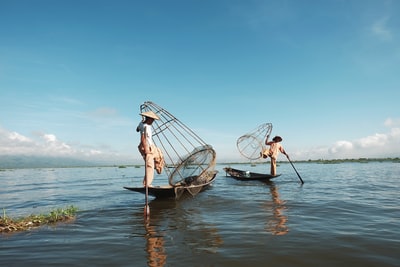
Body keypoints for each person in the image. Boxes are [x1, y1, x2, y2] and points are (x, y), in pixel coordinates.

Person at [137, 110, 160, 187]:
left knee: (159, 155)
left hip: (151, 146)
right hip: (146, 146)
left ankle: (158, 168)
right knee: (150, 165)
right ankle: (147, 184)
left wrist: (141, 124)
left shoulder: (142, 124)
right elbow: (143, 138)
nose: (153, 121)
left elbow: (137, 129)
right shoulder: (145, 126)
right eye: (152, 119)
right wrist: (146, 150)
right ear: (149, 118)